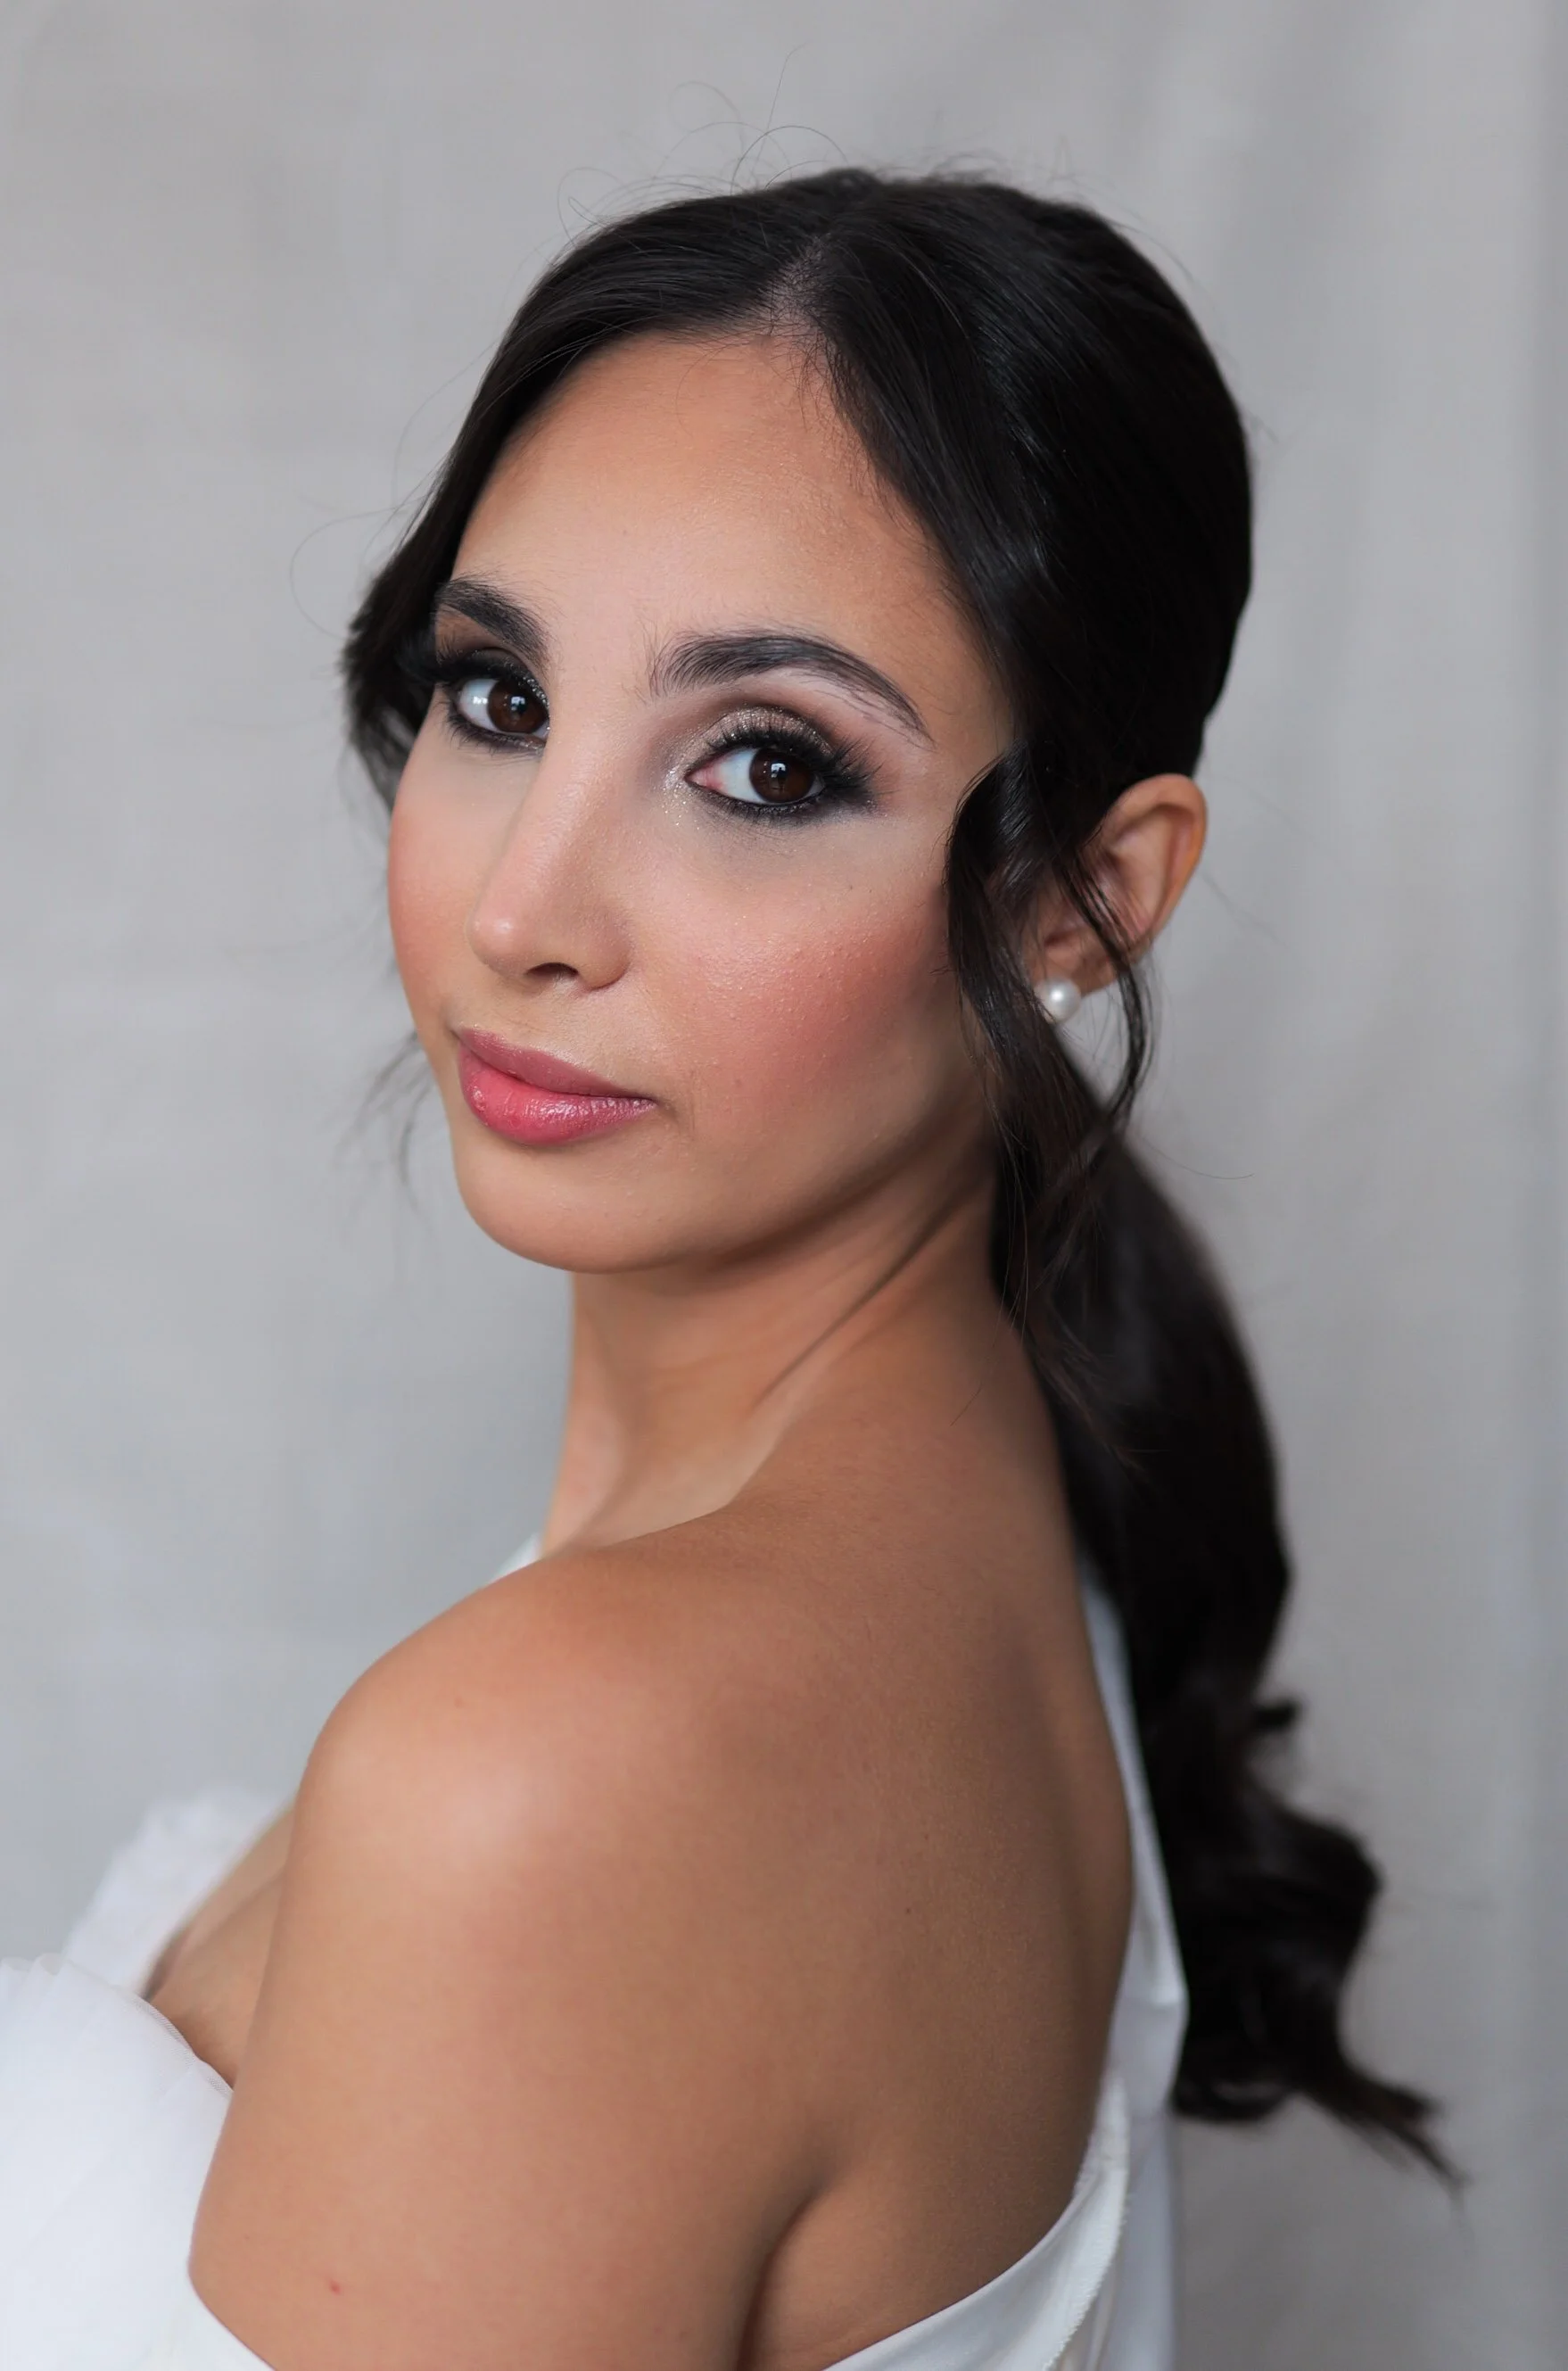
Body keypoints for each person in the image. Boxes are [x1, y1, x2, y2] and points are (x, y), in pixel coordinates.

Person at [0, 169, 1439, 2371]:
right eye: (498, 699)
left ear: (1093, 897)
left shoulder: (574, 1772)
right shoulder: (979, 1529)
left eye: (765, 764)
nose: (526, 910)